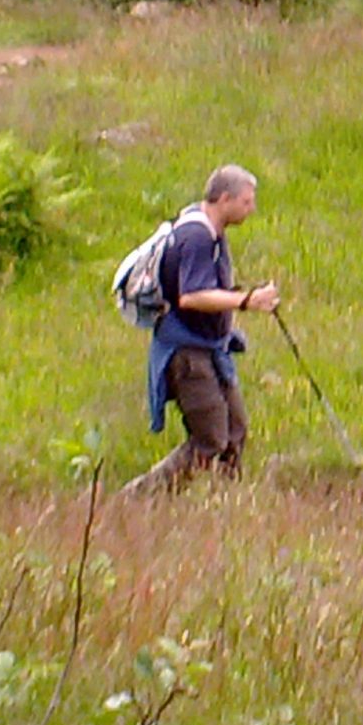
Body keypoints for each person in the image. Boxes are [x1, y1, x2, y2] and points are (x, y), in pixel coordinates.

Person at [130, 164, 280, 494]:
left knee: (235, 428)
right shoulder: (196, 236)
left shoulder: (210, 231)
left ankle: (225, 498)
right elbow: (192, 296)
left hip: (210, 347)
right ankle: (141, 496)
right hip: (187, 354)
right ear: (224, 198)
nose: (251, 209)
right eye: (246, 201)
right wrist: (246, 301)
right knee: (210, 438)